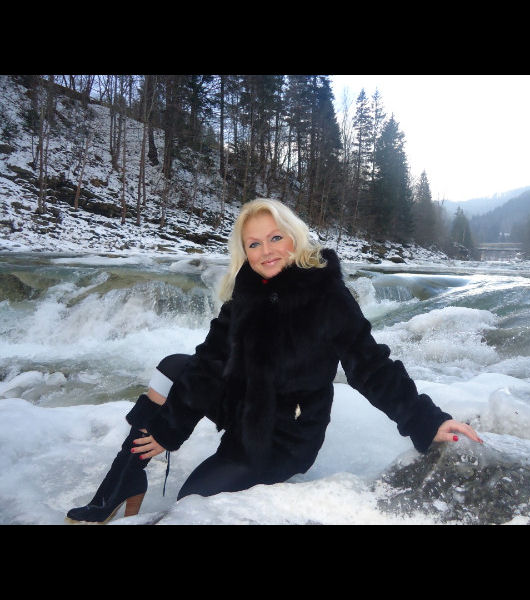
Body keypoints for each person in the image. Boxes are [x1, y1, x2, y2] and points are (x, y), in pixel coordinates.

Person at [66, 198, 482, 524]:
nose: (266, 251)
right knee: (174, 366)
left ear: (293, 237)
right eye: (254, 244)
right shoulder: (247, 292)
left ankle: (147, 480)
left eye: (275, 238)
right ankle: (123, 480)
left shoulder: (326, 295)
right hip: (243, 410)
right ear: (244, 251)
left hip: (284, 437)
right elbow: (210, 361)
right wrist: (166, 431)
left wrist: (425, 420)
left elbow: (370, 365)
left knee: (192, 503)